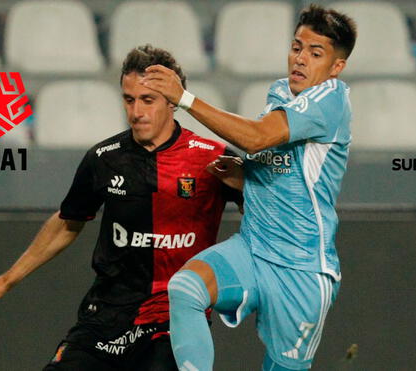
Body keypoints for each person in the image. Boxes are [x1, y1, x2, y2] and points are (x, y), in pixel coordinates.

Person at [0, 45, 242, 371]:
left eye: (147, 100)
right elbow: (68, 222)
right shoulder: (104, 158)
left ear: (172, 102)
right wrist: (7, 280)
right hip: (105, 315)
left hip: (173, 316)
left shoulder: (213, 158)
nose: (136, 111)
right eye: (129, 99)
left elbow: (266, 215)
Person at [141, 5, 356, 370]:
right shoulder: (280, 93)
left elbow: (258, 138)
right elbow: (285, 163)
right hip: (254, 248)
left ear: (336, 67)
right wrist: (244, 174)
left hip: (301, 272)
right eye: (296, 47)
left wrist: (186, 99)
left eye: (315, 53)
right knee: (185, 289)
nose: (300, 59)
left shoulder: (330, 100)